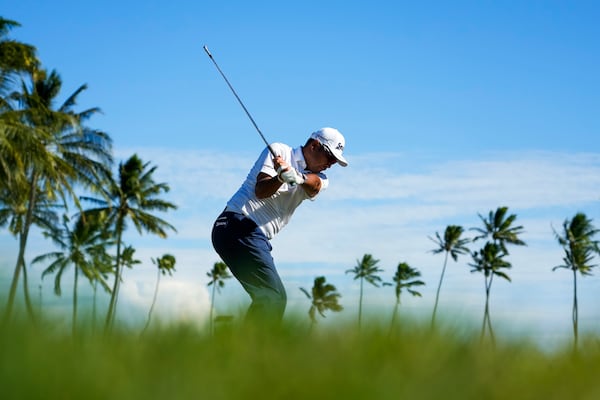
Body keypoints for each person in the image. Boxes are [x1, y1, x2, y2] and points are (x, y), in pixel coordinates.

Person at [211, 127, 348, 326]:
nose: (331, 164)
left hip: (249, 234)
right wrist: (280, 177)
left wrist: (296, 176)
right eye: (330, 157)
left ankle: (237, 346)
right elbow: (261, 191)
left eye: (335, 161)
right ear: (314, 145)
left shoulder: (321, 177)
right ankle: (248, 351)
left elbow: (314, 185)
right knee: (273, 296)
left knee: (270, 297)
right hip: (236, 224)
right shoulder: (279, 151)